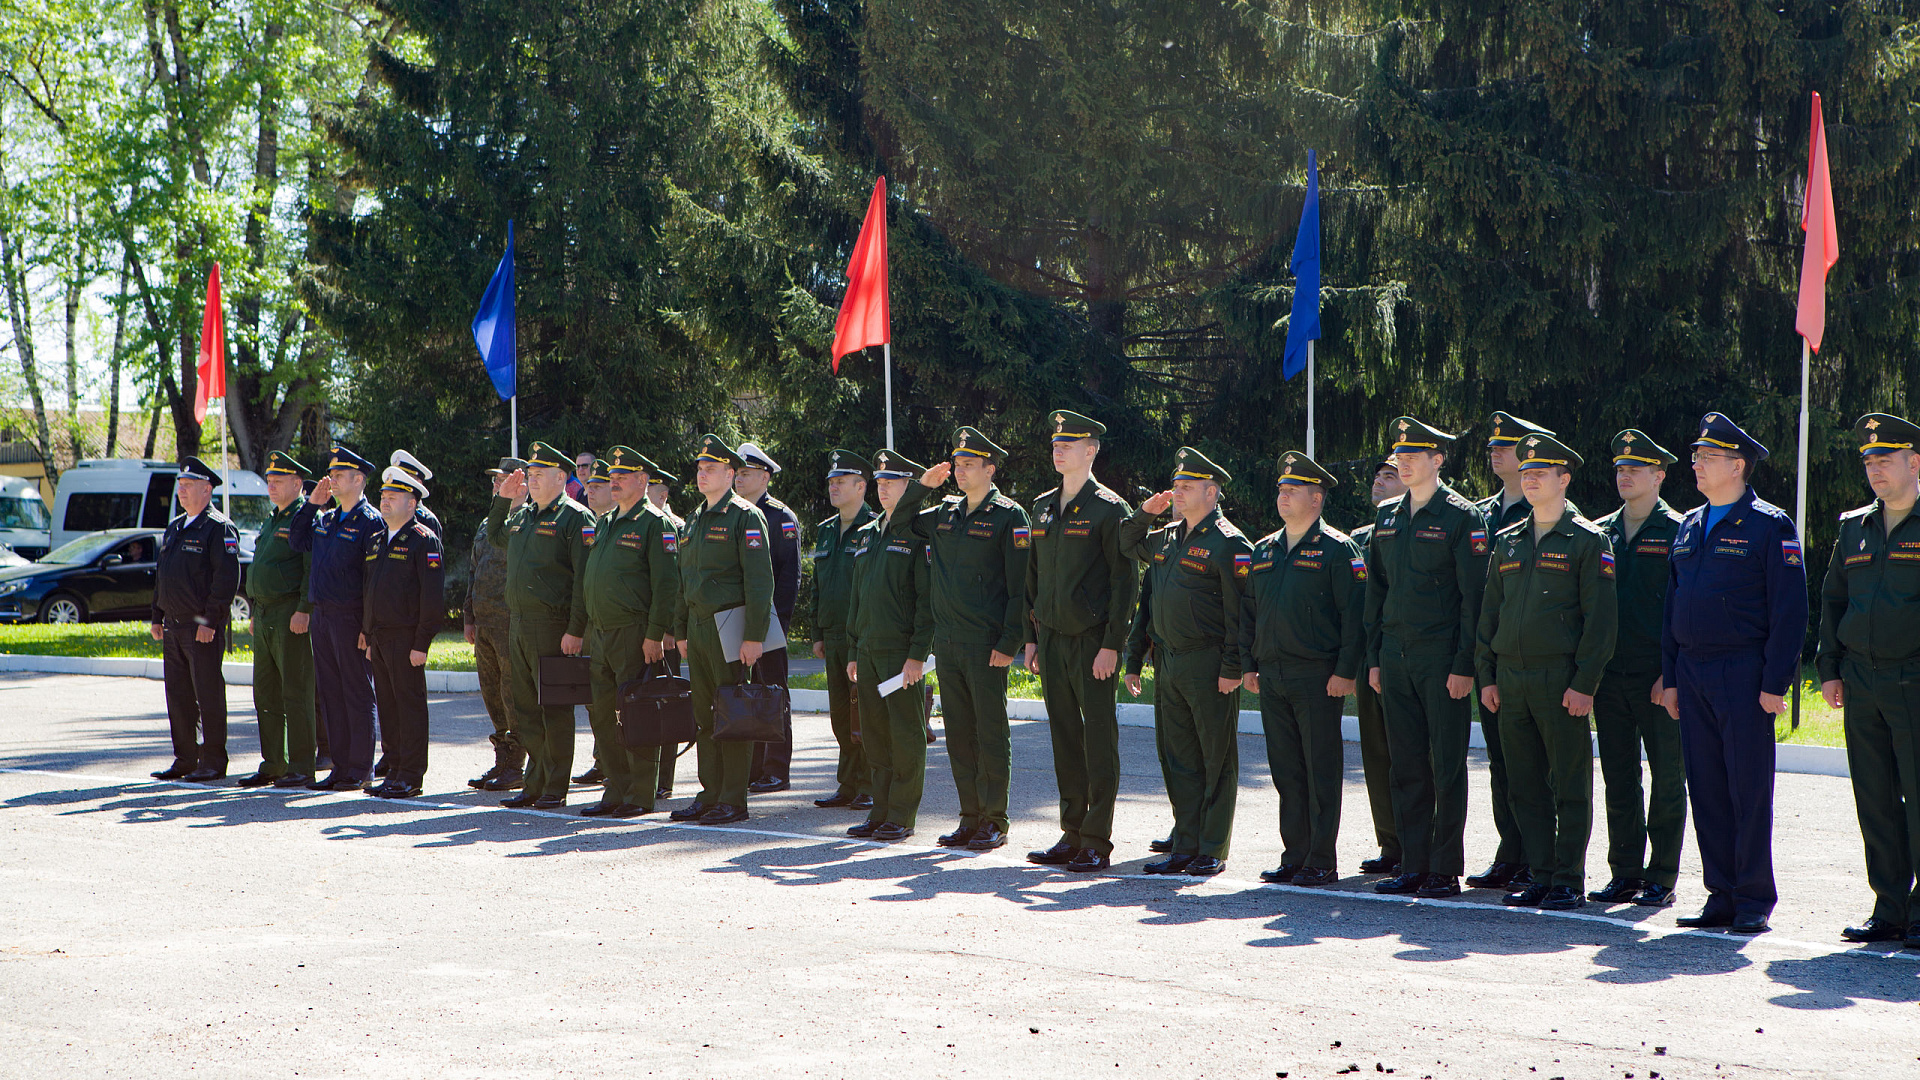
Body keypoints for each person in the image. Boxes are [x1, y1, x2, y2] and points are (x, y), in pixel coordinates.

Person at [1662, 412, 1807, 935]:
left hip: (1743, 671)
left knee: (1747, 790)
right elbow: (1672, 605)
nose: (1696, 465)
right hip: (1693, 670)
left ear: (1738, 465)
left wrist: (1774, 683)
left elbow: (1789, 610)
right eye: (1696, 456)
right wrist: (1670, 677)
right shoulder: (1690, 523)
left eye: (1708, 457)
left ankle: (1752, 897)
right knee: (1706, 788)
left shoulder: (1770, 525)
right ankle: (1720, 894)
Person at [1475, 434, 1617, 910]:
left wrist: (1585, 684)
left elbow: (1601, 622)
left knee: (1569, 784)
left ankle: (1568, 878)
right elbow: (1490, 615)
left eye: (1541, 472)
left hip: (1560, 680)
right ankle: (1539, 873)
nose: (1531, 479)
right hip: (1510, 679)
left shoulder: (1588, 540)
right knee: (1524, 784)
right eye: (1527, 473)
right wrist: (1487, 676)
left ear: (1564, 479)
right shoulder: (1508, 540)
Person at [1365, 417, 1491, 899]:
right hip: (1395, 657)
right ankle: (1413, 863)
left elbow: (1473, 599)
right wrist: (1375, 658)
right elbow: (1377, 592)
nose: (1404, 462)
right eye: (1400, 455)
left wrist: (1464, 665)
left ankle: (1444, 867)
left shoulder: (1461, 517)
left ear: (1437, 460)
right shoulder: (1388, 516)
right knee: (1406, 764)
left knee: (1445, 764)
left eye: (1414, 455)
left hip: (1441, 659)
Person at [894, 427, 1031, 852]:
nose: (960, 471)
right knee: (958, 735)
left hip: (986, 643)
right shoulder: (945, 512)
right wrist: (921, 487)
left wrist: (1010, 642)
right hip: (949, 643)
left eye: (969, 464)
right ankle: (970, 817)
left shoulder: (1009, 516)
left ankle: (995, 819)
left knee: (990, 733)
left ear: (990, 470)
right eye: (957, 464)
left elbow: (1020, 587)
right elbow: (899, 523)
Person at [1121, 447, 1252, 877]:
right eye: (1176, 484)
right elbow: (1126, 544)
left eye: (1187, 486)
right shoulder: (1166, 537)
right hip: (1169, 662)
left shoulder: (1229, 543)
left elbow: (1239, 613)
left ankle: (1212, 848)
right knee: (1177, 758)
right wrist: (1145, 512)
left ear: (1211, 493)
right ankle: (1186, 843)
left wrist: (1233, 668)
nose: (1177, 491)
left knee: (1216, 758)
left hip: (1208, 663)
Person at [1818, 413, 1920, 948]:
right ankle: (1890, 907)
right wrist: (1829, 668)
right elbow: (1834, 598)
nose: (1875, 470)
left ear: (1914, 463)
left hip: (1914, 678)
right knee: (1875, 798)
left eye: (1885, 460)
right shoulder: (1853, 527)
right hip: (1861, 680)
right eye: (1869, 462)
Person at [1243, 452, 1365, 887]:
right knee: (1287, 771)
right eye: (1281, 489)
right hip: (1272, 675)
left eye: (1293, 490)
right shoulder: (1265, 548)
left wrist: (1346, 671)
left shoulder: (1337, 549)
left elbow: (1355, 615)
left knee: (1320, 770)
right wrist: (1248, 665)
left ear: (1316, 499)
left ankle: (1321, 859)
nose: (1283, 496)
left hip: (1317, 676)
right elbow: (1249, 612)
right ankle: (1294, 855)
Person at [1023, 411, 1137, 873]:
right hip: (1050, 639)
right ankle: (1071, 832)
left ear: (1091, 451)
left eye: (1068, 444)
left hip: (1092, 643)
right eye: (1055, 443)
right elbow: (1033, 576)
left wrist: (1113, 644)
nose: (1058, 449)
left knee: (1098, 741)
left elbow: (1124, 583)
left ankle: (1095, 839)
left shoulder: (1110, 509)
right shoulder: (1042, 506)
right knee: (1065, 738)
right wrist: (1031, 638)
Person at [1589, 429, 1688, 908]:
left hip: (1657, 675)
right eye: (1620, 468)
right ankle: (1624, 871)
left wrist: (1672, 673)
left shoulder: (1681, 530)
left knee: (1668, 776)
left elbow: (1686, 607)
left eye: (1636, 469)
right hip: (1610, 675)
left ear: (1659, 476)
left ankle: (1662, 875)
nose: (1624, 475)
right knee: (1619, 776)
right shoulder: (1599, 532)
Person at [1467, 411, 1559, 892]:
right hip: (1496, 657)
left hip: (1538, 661)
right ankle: (1511, 852)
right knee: (1502, 763)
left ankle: (1542, 859)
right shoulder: (1482, 515)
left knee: (1539, 767)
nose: (1496, 453)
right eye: (1493, 447)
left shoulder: (1547, 510)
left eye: (1507, 446)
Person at [668, 435, 776, 826]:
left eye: (711, 469)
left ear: (730, 474)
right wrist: (681, 629)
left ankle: (733, 798)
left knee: (734, 712)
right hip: (698, 629)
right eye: (700, 468)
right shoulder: (695, 518)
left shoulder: (745, 516)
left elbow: (760, 582)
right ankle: (710, 793)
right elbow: (684, 579)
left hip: (729, 627)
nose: (702, 474)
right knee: (704, 714)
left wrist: (755, 636)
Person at [575, 447, 682, 818]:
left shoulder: (655, 523)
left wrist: (655, 634)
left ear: (643, 480)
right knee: (604, 715)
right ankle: (615, 789)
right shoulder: (606, 521)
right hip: (601, 632)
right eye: (612, 477)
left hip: (634, 633)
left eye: (623, 476)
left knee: (636, 714)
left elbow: (667, 585)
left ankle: (639, 794)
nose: (614, 482)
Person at [488, 441, 592, 810]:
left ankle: (555, 785)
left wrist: (576, 629)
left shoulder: (576, 518)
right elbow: (495, 535)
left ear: (561, 477)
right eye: (530, 474)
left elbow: (583, 580)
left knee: (555, 709)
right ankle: (535, 782)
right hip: (519, 623)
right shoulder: (524, 516)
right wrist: (503, 500)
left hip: (553, 625)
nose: (531, 479)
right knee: (526, 708)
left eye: (539, 474)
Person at [843, 449, 936, 842]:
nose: (883, 489)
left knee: (906, 736)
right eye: (880, 482)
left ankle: (901, 815)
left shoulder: (917, 533)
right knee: (875, 737)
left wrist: (917, 656)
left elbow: (927, 601)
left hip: (901, 653)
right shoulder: (868, 533)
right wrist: (853, 650)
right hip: (867, 650)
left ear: (909, 486)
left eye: (892, 482)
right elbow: (857, 597)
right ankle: (879, 811)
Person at [289, 445, 385, 791]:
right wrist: (311, 504)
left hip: (351, 618)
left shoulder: (371, 521)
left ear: (359, 480)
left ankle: (360, 768)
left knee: (356, 693)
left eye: (340, 475)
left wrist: (368, 628)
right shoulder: (326, 518)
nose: (332, 480)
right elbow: (296, 540)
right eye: (331, 474)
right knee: (330, 693)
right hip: (323, 616)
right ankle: (340, 767)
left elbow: (374, 581)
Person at [148, 456, 242, 783]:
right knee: (179, 696)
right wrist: (156, 615)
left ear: (207, 489)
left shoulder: (218, 528)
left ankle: (213, 760)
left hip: (200, 628)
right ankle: (185, 758)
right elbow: (163, 575)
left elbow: (226, 580)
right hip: (173, 625)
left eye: (189, 485)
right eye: (180, 485)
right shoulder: (176, 526)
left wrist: (211, 621)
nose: (182, 491)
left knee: (208, 694)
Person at [359, 466, 445, 798]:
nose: (385, 501)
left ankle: (410, 775)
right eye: (384, 495)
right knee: (389, 707)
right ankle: (394, 770)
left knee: (409, 708)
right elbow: (370, 590)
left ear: (412, 503)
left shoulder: (423, 540)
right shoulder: (378, 539)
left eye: (394, 496)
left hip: (407, 638)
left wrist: (422, 642)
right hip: (380, 638)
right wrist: (368, 635)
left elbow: (431, 597)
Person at [236, 450, 317, 789]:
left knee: (295, 691)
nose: (271, 485)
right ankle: (274, 763)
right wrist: (256, 609)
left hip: (289, 613)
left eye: (278, 481)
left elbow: (310, 569)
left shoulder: (305, 517)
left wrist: (304, 609)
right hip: (266, 612)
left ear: (298, 484)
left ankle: (301, 765)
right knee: (266, 693)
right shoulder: (273, 518)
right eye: (269, 480)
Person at [810, 450, 877, 810]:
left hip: (861, 637)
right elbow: (817, 587)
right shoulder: (825, 531)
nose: (833, 488)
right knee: (840, 713)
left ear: (861, 487)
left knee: (864, 713)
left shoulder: (874, 529)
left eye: (841, 482)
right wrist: (817, 633)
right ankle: (848, 783)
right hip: (833, 635)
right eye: (831, 482)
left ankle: (869, 783)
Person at [735, 442, 802, 794]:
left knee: (772, 692)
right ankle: (752, 766)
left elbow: (789, 577)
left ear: (765, 477)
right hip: (736, 622)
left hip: (769, 623)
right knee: (744, 695)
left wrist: (776, 627)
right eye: (737, 473)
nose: (739, 479)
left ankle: (776, 769)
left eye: (746, 474)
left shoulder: (780, 517)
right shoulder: (735, 514)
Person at [1351, 457, 1404, 874]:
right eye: (1378, 475)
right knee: (1376, 754)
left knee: (1410, 756)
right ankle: (1390, 844)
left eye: (1390, 476)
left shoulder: (1415, 530)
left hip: (1402, 656)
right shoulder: (1359, 538)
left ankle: (1416, 844)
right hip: (1366, 660)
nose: (1379, 481)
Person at [465, 459, 527, 791]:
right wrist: (469, 617)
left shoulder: (526, 520)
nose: (496, 485)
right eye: (495, 480)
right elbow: (474, 571)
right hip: (485, 622)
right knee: (492, 694)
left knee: (512, 694)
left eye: (504, 480)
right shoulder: (488, 522)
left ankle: (516, 764)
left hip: (510, 622)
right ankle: (502, 759)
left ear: (522, 485)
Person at [573, 455, 617, 786]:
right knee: (595, 699)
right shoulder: (594, 525)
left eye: (598, 486)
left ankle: (618, 764)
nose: (591, 490)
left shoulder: (617, 525)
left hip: (617, 625)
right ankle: (604, 760)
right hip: (591, 625)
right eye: (589, 485)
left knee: (617, 699)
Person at [646, 463, 688, 799]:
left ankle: (665, 780)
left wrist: (671, 629)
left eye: (649, 490)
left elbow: (677, 583)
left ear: (662, 494)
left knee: (668, 702)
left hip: (666, 634)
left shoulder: (677, 527)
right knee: (641, 701)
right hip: (642, 628)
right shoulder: (641, 524)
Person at [389, 449, 443, 538]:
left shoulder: (427, 520)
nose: (399, 482)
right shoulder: (389, 513)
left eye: (405, 478)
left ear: (419, 483)